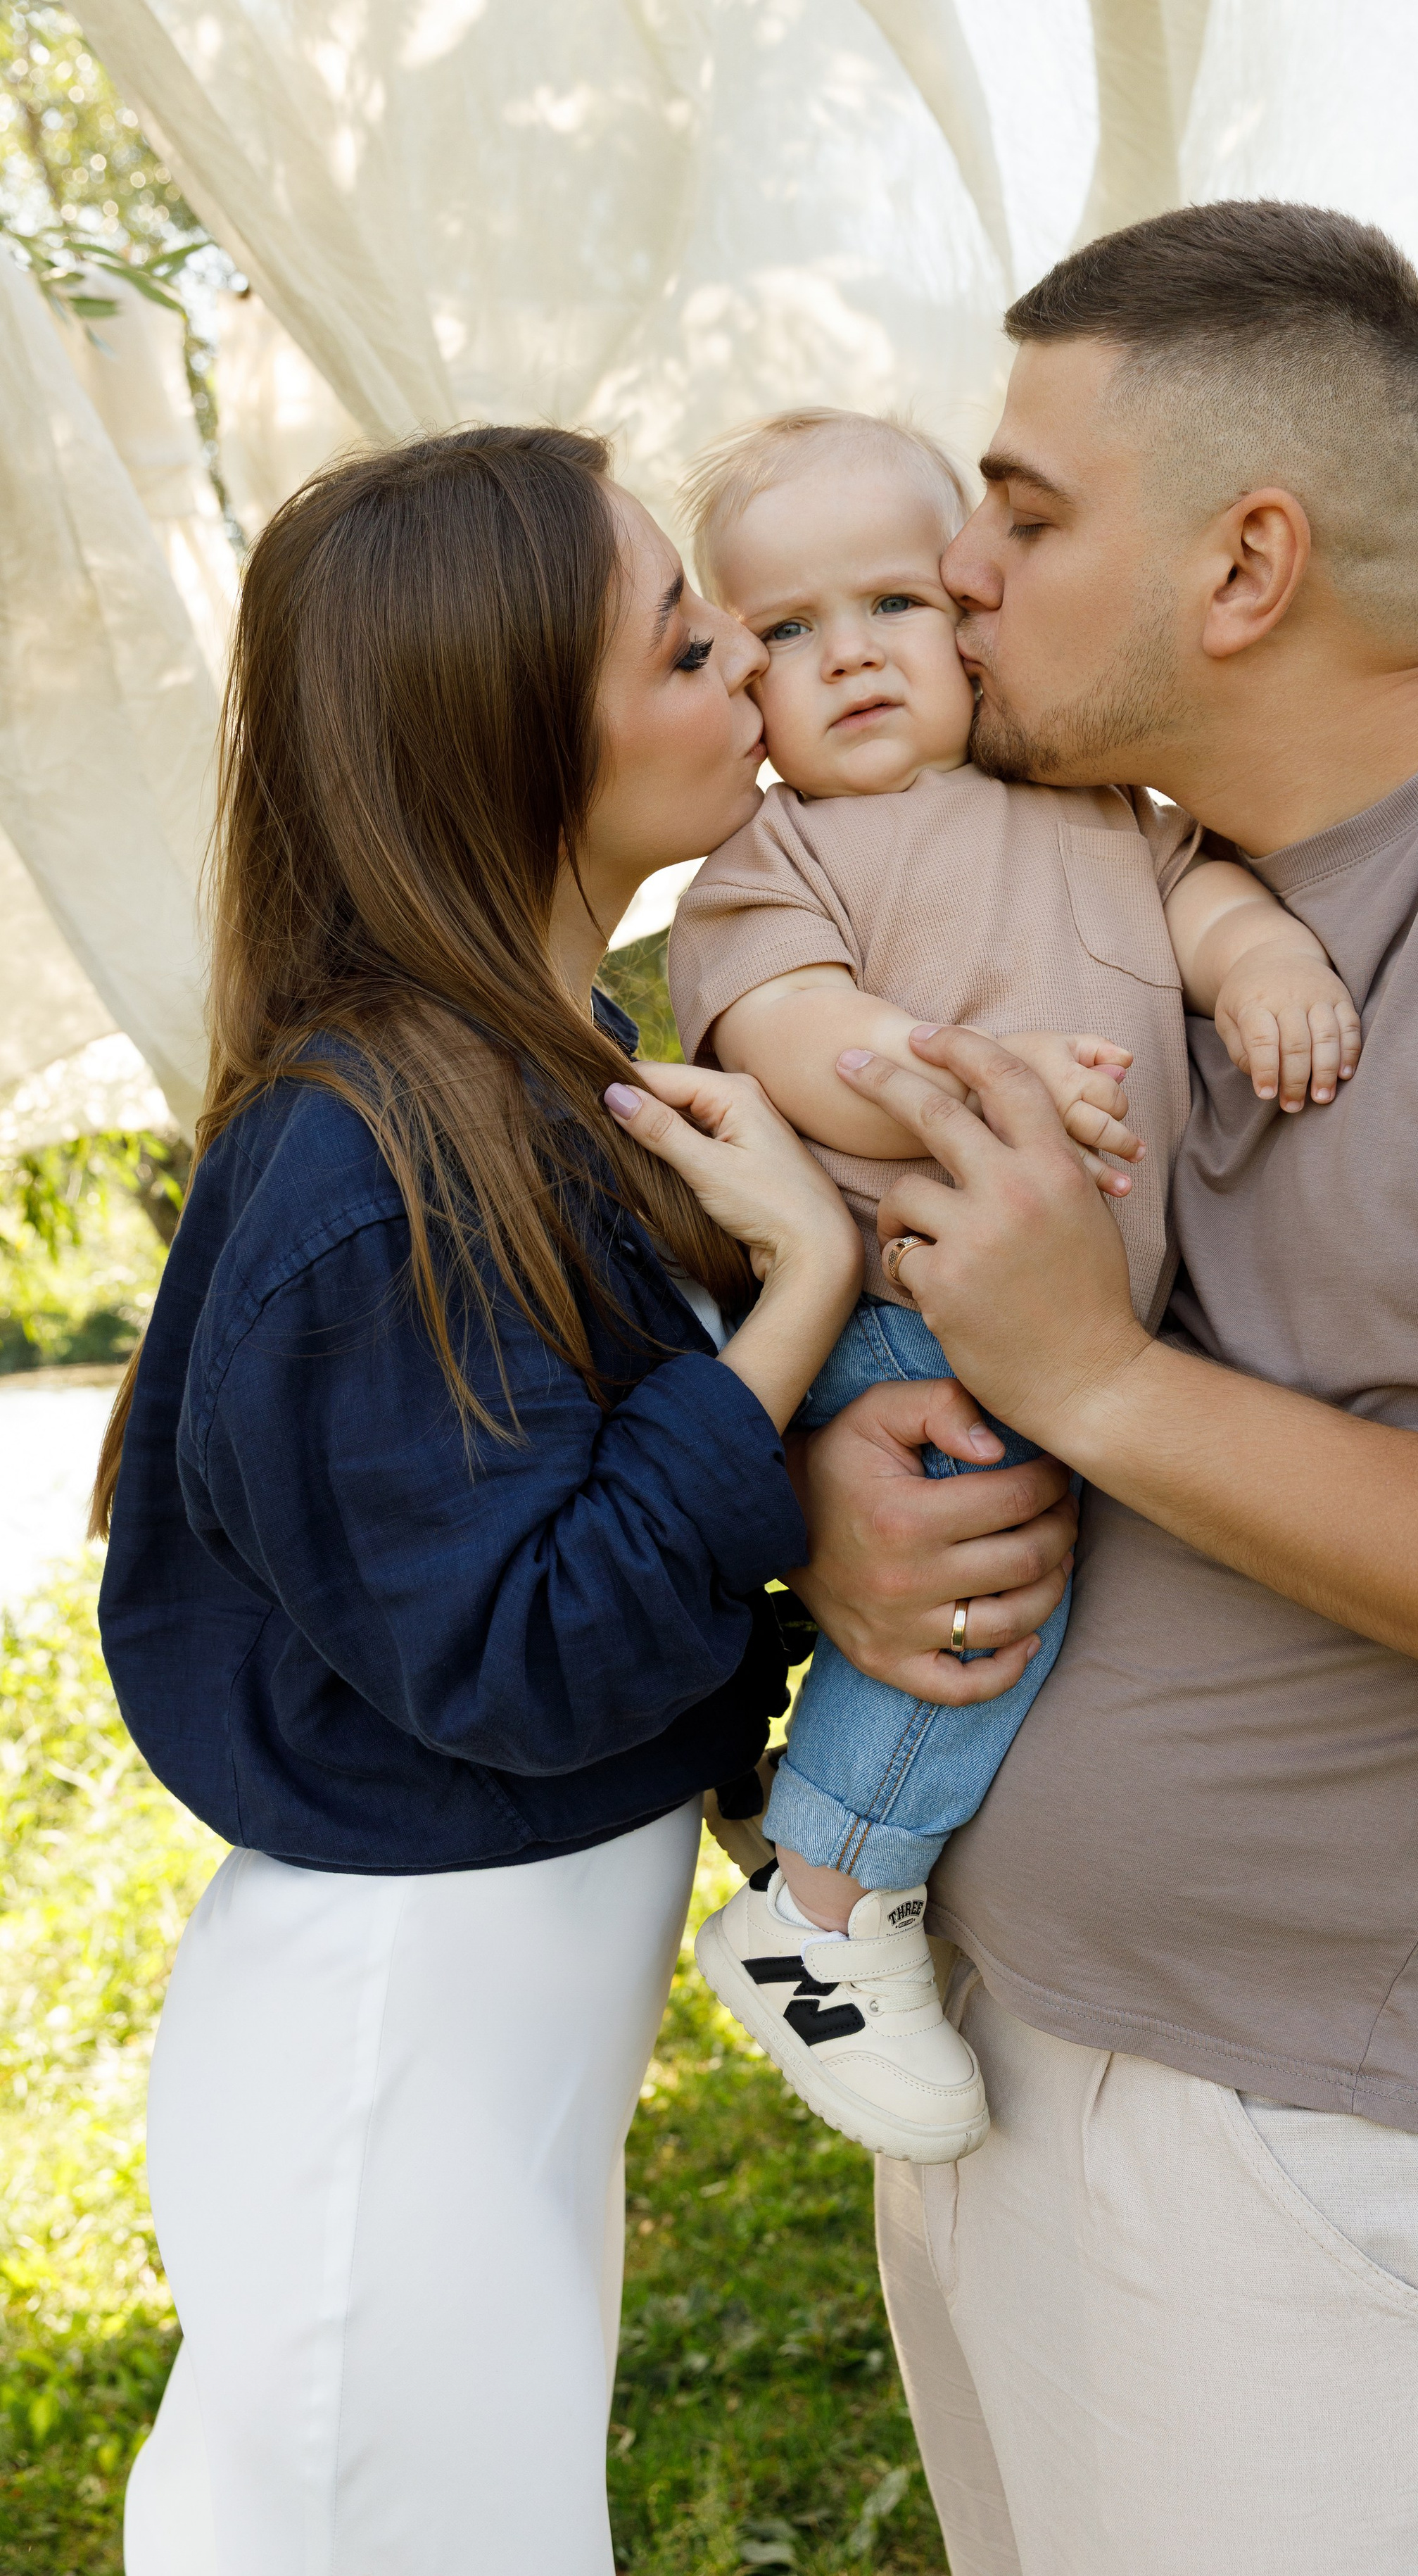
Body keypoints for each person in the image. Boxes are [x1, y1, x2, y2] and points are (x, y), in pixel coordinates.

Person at [745, 203, 1418, 2573]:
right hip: (978, 2053)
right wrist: (851, 1482)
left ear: (1247, 565)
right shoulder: (1071, 872)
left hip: (1319, 2166)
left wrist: (1089, 1382)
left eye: (1018, 516)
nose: (954, 571)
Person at [92, 422, 880, 2576]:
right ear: (514, 726)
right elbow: (523, 1645)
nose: (751, 664)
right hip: (395, 2055)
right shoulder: (367, 1159)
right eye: (683, 638)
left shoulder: (543, 1076)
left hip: (487, 2050)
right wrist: (800, 1297)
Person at [659, 404, 1359, 2166]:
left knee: (1034, 1574)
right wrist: (959, 1071)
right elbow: (791, 1038)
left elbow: (1200, 907)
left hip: (1075, 1317)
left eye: (891, 604)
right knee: (980, 1588)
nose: (853, 659)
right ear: (738, 682)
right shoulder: (772, 861)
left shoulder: (1087, 801)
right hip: (916, 1303)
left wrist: (1261, 954)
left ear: (970, 612)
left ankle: (801, 1824)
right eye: (788, 635)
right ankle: (819, 1908)